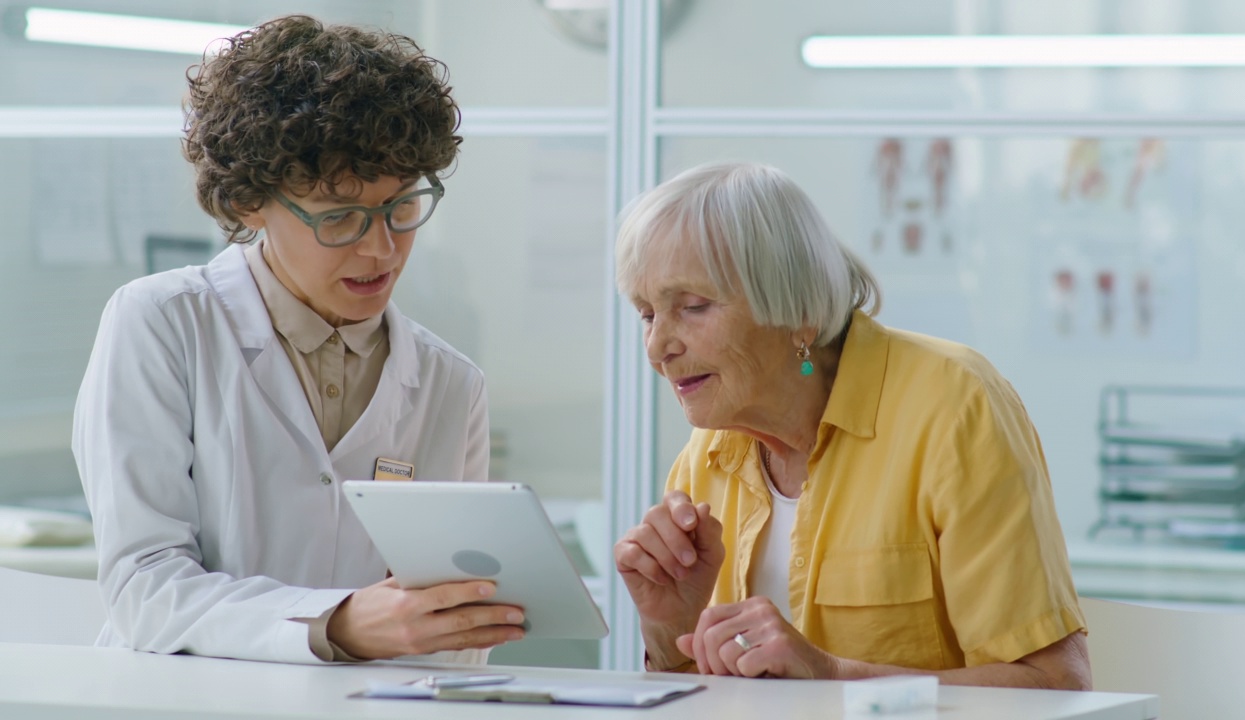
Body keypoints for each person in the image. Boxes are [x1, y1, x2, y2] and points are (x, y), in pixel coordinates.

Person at [72, 15, 526, 664]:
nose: (381, 248)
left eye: (401, 207)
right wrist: (335, 624)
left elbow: (456, 629)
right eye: (339, 216)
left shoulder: (452, 383)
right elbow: (145, 587)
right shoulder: (163, 324)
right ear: (251, 202)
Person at [612, 162, 1091, 688]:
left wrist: (832, 674)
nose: (659, 348)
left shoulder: (954, 406)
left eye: (694, 307)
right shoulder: (705, 455)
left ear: (797, 310)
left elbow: (1056, 688)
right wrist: (667, 634)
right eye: (647, 315)